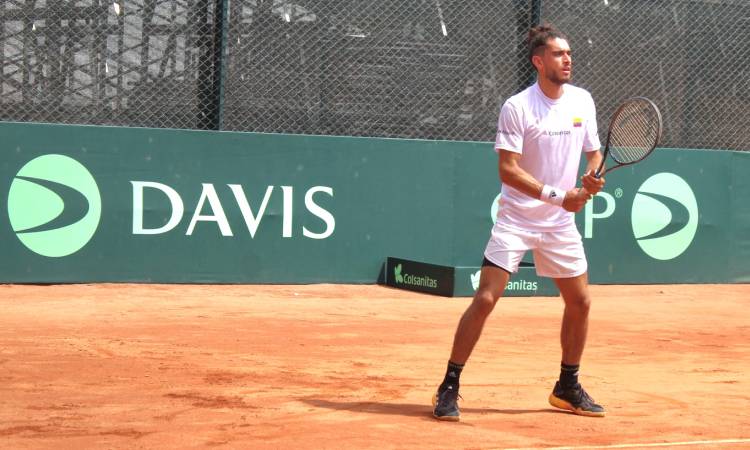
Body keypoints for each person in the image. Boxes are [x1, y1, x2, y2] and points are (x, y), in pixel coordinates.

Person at [432, 24, 607, 421]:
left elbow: (594, 154)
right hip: (517, 218)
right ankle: (449, 385)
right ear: (538, 60)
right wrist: (559, 196)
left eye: (569, 53)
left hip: (560, 225)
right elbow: (508, 170)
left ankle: (567, 385)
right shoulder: (518, 107)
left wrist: (592, 177)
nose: (568, 59)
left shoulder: (582, 101)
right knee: (486, 297)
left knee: (580, 302)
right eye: (559, 54)